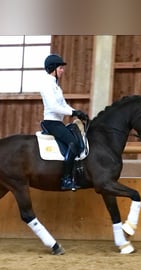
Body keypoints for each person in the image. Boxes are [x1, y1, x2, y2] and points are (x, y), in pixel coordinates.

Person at [39, 54, 88, 191]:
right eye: (60, 68)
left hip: (58, 122)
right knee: (72, 143)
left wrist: (77, 112)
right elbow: (54, 107)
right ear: (53, 69)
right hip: (51, 122)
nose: (62, 70)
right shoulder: (46, 84)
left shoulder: (56, 86)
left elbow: (64, 105)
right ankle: (66, 179)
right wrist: (73, 113)